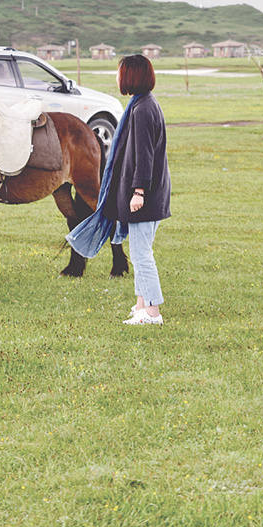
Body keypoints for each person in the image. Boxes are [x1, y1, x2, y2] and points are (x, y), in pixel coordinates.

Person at [67, 54, 171, 325]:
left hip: (144, 197)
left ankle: (152, 313)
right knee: (140, 252)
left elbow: (144, 156)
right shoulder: (141, 105)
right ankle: (141, 306)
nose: (117, 77)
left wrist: (138, 192)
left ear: (131, 76)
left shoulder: (143, 110)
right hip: (148, 194)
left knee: (141, 255)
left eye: (119, 72)